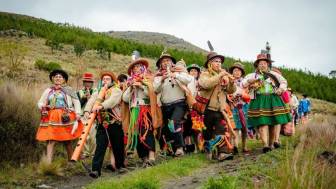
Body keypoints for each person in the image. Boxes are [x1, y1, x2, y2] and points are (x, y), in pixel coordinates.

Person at [242, 53, 291, 153]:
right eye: (260, 63)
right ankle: (265, 145)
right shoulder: (252, 75)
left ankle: (271, 144)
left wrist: (281, 89)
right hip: (258, 99)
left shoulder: (274, 75)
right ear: (257, 65)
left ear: (268, 65)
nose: (262, 65)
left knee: (272, 123)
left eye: (264, 63)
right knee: (262, 123)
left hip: (272, 98)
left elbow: (284, 81)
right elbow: (243, 83)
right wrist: (250, 81)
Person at [36, 69, 83, 163]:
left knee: (67, 140)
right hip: (51, 116)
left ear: (64, 79)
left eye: (60, 77)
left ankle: (72, 160)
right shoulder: (48, 90)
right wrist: (43, 107)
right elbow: (40, 102)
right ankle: (48, 164)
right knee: (50, 139)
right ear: (53, 79)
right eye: (56, 77)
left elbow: (76, 102)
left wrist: (78, 113)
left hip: (65, 116)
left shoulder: (69, 90)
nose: (58, 78)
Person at [84, 71, 124, 178]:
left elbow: (112, 101)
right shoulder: (98, 91)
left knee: (117, 145)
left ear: (112, 81)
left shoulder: (116, 90)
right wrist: (87, 111)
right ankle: (96, 170)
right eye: (104, 79)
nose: (105, 81)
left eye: (108, 79)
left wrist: (101, 106)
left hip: (114, 122)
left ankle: (120, 166)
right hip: (102, 123)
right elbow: (92, 100)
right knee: (100, 146)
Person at [198, 52, 236, 161]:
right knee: (207, 133)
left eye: (220, 62)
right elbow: (206, 84)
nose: (219, 63)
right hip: (207, 109)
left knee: (221, 131)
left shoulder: (224, 76)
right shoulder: (205, 74)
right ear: (210, 63)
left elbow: (231, 91)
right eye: (216, 61)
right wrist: (219, 75)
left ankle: (222, 153)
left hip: (220, 109)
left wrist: (232, 83)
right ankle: (209, 151)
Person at [154, 51, 193, 157]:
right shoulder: (158, 76)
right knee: (167, 129)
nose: (165, 63)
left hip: (179, 103)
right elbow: (155, 90)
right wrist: (162, 79)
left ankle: (180, 147)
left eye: (168, 60)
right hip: (165, 106)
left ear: (172, 62)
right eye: (163, 61)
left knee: (174, 123)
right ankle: (173, 149)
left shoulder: (179, 72)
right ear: (160, 64)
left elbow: (189, 79)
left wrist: (175, 75)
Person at [122, 58, 159, 167]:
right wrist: (131, 88)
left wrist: (142, 86)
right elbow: (125, 98)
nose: (136, 69)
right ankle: (144, 158)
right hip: (134, 111)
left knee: (147, 132)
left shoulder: (148, 79)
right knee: (136, 135)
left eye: (138, 67)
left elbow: (152, 94)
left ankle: (152, 156)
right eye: (134, 67)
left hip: (145, 110)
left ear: (143, 68)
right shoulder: (130, 82)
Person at [228, 62, 251, 154]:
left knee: (244, 127)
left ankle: (244, 146)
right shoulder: (229, 81)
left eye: (239, 71)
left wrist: (242, 94)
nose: (237, 72)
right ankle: (235, 146)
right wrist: (231, 97)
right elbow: (227, 93)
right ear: (232, 72)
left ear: (242, 72)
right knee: (235, 127)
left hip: (244, 106)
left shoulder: (245, 82)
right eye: (235, 70)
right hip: (233, 106)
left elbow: (247, 94)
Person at [77, 72, 97, 158]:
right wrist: (84, 99)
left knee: (93, 136)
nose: (87, 84)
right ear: (83, 83)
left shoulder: (97, 92)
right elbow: (77, 105)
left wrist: (90, 98)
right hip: (82, 116)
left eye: (89, 82)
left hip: (93, 116)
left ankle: (93, 153)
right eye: (86, 82)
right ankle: (85, 153)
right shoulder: (79, 92)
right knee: (83, 135)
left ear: (92, 83)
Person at [184, 63, 202, 153]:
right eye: (191, 70)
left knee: (197, 129)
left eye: (195, 71)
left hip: (197, 109)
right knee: (188, 129)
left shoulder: (200, 82)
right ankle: (190, 148)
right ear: (188, 72)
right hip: (187, 108)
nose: (193, 72)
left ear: (198, 73)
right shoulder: (186, 82)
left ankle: (199, 147)